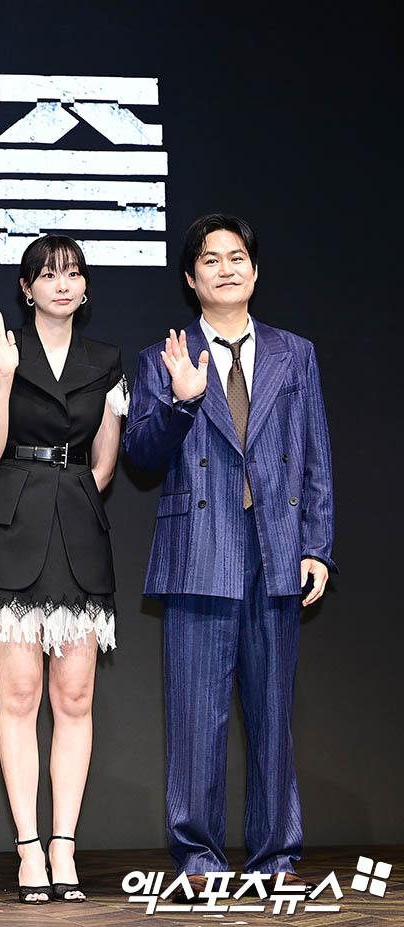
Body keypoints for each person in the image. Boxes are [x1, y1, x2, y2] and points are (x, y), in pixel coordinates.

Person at [124, 214, 335, 894]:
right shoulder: (164, 356)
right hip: (198, 547)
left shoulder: (293, 353)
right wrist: (182, 403)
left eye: (236, 256)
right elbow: (140, 455)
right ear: (191, 279)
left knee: (273, 713)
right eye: (210, 260)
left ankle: (277, 858)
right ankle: (198, 860)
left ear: (254, 269)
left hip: (276, 546)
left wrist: (317, 546)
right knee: (195, 715)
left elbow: (315, 456)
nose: (225, 268)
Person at [0, 236, 125, 904]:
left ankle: (65, 846)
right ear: (26, 288)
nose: (62, 283)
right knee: (21, 693)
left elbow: (104, 463)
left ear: (85, 287)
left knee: (75, 695)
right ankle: (28, 847)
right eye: (48, 274)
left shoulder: (106, 361)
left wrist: (70, 495)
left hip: (77, 529)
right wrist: (2, 376)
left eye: (73, 273)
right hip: (8, 528)